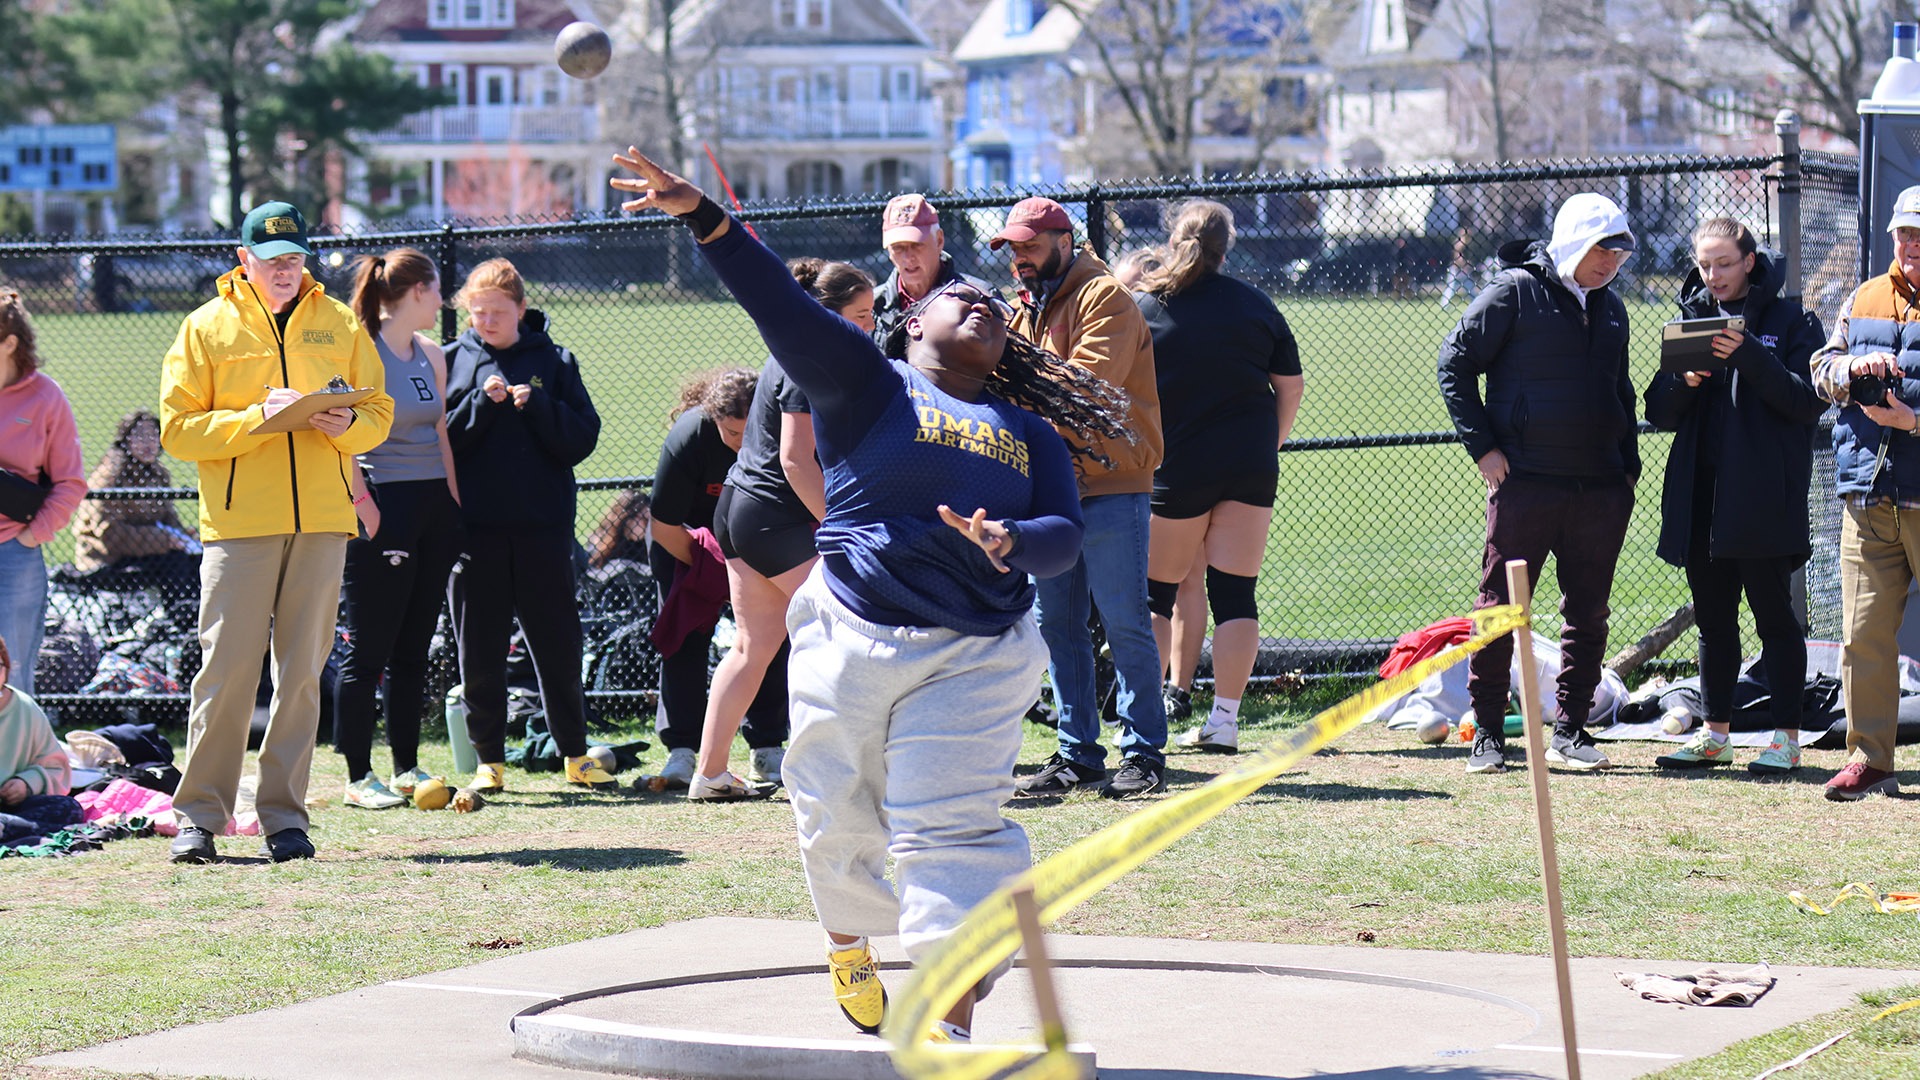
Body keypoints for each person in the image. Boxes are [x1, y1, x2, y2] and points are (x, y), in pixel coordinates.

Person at [612, 146, 1129, 1043]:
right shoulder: (866, 381)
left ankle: (949, 1030)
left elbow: (1065, 538)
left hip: (975, 653)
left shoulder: (1030, 434)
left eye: (992, 307)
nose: (979, 303)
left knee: (952, 833)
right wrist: (703, 215)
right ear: (913, 323)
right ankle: (848, 940)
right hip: (851, 632)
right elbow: (772, 296)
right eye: (957, 300)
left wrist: (1012, 539)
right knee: (835, 815)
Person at [159, 201, 395, 863]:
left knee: (301, 676)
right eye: (272, 260)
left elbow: (379, 410)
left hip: (322, 521)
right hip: (238, 526)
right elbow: (177, 430)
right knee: (225, 673)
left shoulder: (340, 322)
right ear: (244, 260)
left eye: (295, 258)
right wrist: (254, 419)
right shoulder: (204, 329)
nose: (286, 271)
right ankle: (199, 819)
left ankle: (285, 820)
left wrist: (345, 426)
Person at [1436, 191, 1639, 775]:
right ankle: (1489, 737)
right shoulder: (1512, 292)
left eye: (1620, 253)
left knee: (1589, 613)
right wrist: (1485, 449)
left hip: (1600, 487)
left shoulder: (1613, 308)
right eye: (1603, 250)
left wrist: (1626, 467)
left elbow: (1620, 389)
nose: (1611, 263)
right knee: (1501, 608)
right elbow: (1455, 363)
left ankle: (1571, 732)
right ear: (1574, 241)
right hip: (1527, 482)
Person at [995, 197, 1169, 800]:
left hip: (1111, 481)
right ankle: (1078, 755)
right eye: (1013, 250)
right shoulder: (1026, 309)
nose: (1019, 259)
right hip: (1049, 488)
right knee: (1057, 625)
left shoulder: (1104, 300)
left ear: (1064, 242)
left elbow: (1083, 389)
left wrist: (1012, 379)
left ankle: (1144, 752)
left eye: (1030, 246)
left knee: (1123, 620)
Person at [687, 260, 876, 800]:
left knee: (755, 645)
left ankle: (711, 774)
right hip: (773, 515)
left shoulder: (804, 347)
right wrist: (841, 525)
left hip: (740, 510)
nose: (870, 325)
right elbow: (796, 462)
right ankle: (826, 773)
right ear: (827, 313)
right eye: (860, 315)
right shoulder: (809, 358)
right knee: (847, 633)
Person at [1646, 219, 1825, 776]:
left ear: (1750, 261)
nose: (1713, 275)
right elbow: (1658, 410)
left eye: (1724, 263)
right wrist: (1687, 381)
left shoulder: (1792, 319)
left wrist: (1749, 354)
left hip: (1764, 500)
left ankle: (1787, 739)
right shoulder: (1692, 318)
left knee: (1776, 622)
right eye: (1704, 265)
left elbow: (1805, 402)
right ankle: (1714, 735)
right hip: (1703, 499)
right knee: (1716, 622)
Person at [1136, 200, 1304, 753]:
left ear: (1172, 239)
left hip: (1177, 465)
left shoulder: (1147, 308)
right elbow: (1291, 387)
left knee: (1156, 596)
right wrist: (1266, 446)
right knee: (1236, 596)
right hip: (1249, 465)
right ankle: (1224, 723)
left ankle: (1145, 727)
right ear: (1226, 246)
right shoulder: (1255, 304)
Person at [442, 257, 608, 792]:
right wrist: (479, 405)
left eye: (496, 312)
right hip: (474, 533)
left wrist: (538, 405)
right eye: (476, 312)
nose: (485, 321)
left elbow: (581, 439)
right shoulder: (450, 361)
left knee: (557, 643)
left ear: (521, 309)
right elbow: (440, 439)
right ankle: (489, 759)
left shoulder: (556, 361)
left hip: (543, 530)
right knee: (479, 648)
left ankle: (576, 755)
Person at [332, 248, 466, 810]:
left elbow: (439, 433)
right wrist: (365, 506)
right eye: (437, 290)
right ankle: (359, 775)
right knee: (369, 649)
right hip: (382, 505)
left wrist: (454, 506)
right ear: (415, 292)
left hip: (433, 506)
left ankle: (406, 766)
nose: (443, 300)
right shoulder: (359, 347)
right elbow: (335, 434)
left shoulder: (431, 353)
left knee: (415, 647)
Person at [1805, 182, 1920, 801]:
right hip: (1868, 490)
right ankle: (1871, 759)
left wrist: (1914, 422)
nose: (1913, 244)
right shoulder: (1865, 295)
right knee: (1862, 634)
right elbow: (1823, 372)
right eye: (1905, 232)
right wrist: (1851, 371)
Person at [647, 368, 783, 793]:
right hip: (687, 546)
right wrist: (713, 568)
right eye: (731, 432)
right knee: (684, 635)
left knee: (769, 638)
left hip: (758, 540)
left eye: (750, 431)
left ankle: (767, 744)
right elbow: (664, 524)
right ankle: (682, 750)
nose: (742, 442)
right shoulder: (692, 435)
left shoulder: (781, 428)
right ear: (714, 418)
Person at [0, 289, 87, 697]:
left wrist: (30, 538)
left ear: (10, 342)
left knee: (11, 675)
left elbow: (70, 482)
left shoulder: (45, 397)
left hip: (13, 556)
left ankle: (15, 761)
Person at [70, 410, 198, 603]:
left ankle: (192, 620)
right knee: (175, 562)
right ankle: (177, 620)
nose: (148, 443)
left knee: (196, 560)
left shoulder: (158, 474)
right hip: (106, 561)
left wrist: (182, 535)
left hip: (145, 554)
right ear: (126, 441)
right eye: (140, 436)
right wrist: (164, 541)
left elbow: (167, 517)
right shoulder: (110, 476)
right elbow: (108, 534)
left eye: (153, 436)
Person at [871, 193, 994, 351]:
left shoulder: (979, 298)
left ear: (939, 240)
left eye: (916, 245)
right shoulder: (871, 307)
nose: (908, 257)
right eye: (898, 247)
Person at [1, 633, 72, 814]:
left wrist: (27, 783)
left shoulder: (25, 708)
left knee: (68, 809)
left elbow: (57, 769)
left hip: (12, 808)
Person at [1440, 228, 1475, 310]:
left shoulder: (1465, 244)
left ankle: (1475, 302)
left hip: (1462, 270)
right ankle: (1445, 304)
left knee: (1469, 287)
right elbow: (1458, 257)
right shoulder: (1460, 244)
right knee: (1451, 288)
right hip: (1456, 270)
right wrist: (1465, 264)